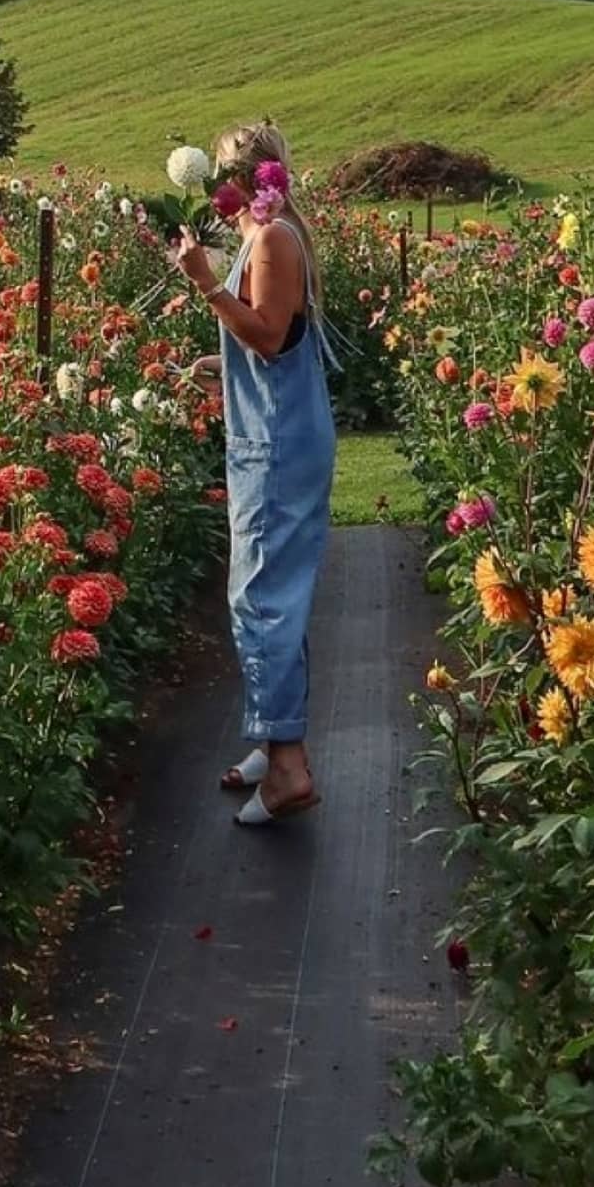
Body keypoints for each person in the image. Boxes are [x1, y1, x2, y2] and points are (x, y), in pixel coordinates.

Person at [175, 122, 335, 827]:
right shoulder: (270, 234)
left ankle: (291, 767)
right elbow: (275, 336)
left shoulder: (271, 239)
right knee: (273, 593)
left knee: (261, 598)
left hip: (276, 443)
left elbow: (268, 335)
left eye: (222, 175)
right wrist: (222, 362)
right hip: (273, 432)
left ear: (244, 178)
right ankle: (273, 743)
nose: (217, 189)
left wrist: (206, 284)